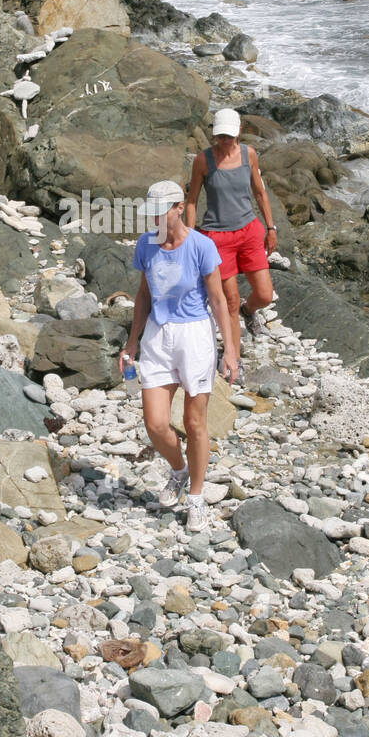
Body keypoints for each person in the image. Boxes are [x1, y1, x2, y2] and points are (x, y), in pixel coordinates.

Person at [119, 180, 238, 533]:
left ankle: (197, 498)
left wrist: (229, 348)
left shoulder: (201, 246)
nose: (153, 220)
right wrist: (131, 343)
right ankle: (179, 470)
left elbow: (219, 300)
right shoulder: (146, 245)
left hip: (195, 337)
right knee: (155, 423)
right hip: (158, 335)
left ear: (177, 208)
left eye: (158, 213)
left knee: (194, 423)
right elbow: (143, 295)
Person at [185, 107, 277, 360]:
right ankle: (233, 359)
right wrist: (191, 237)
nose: (224, 141)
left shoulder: (249, 155)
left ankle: (250, 312)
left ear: (238, 133)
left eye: (229, 135)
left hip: (249, 232)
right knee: (230, 301)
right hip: (216, 238)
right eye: (220, 136)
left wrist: (270, 227)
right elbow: (191, 200)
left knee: (265, 295)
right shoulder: (203, 161)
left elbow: (259, 192)